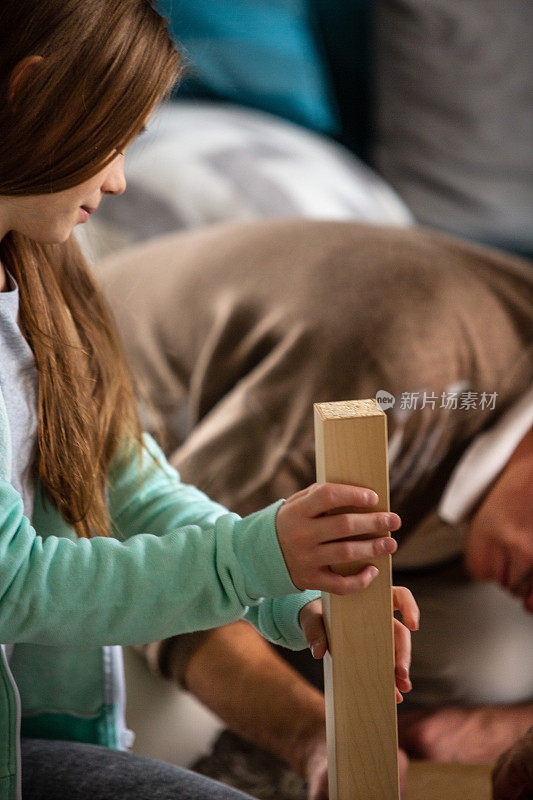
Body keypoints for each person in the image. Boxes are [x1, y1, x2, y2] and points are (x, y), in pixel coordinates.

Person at [0, 3, 418, 799]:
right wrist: (247, 558)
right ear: (29, 94)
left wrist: (291, 594)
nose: (118, 179)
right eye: (112, 141)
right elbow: (13, 586)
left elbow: (135, 489)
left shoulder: (48, 273)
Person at [95, 217, 533, 774]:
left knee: (489, 664)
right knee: (159, 704)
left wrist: (489, 729)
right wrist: (319, 740)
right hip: (119, 427)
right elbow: (183, 576)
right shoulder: (397, 373)